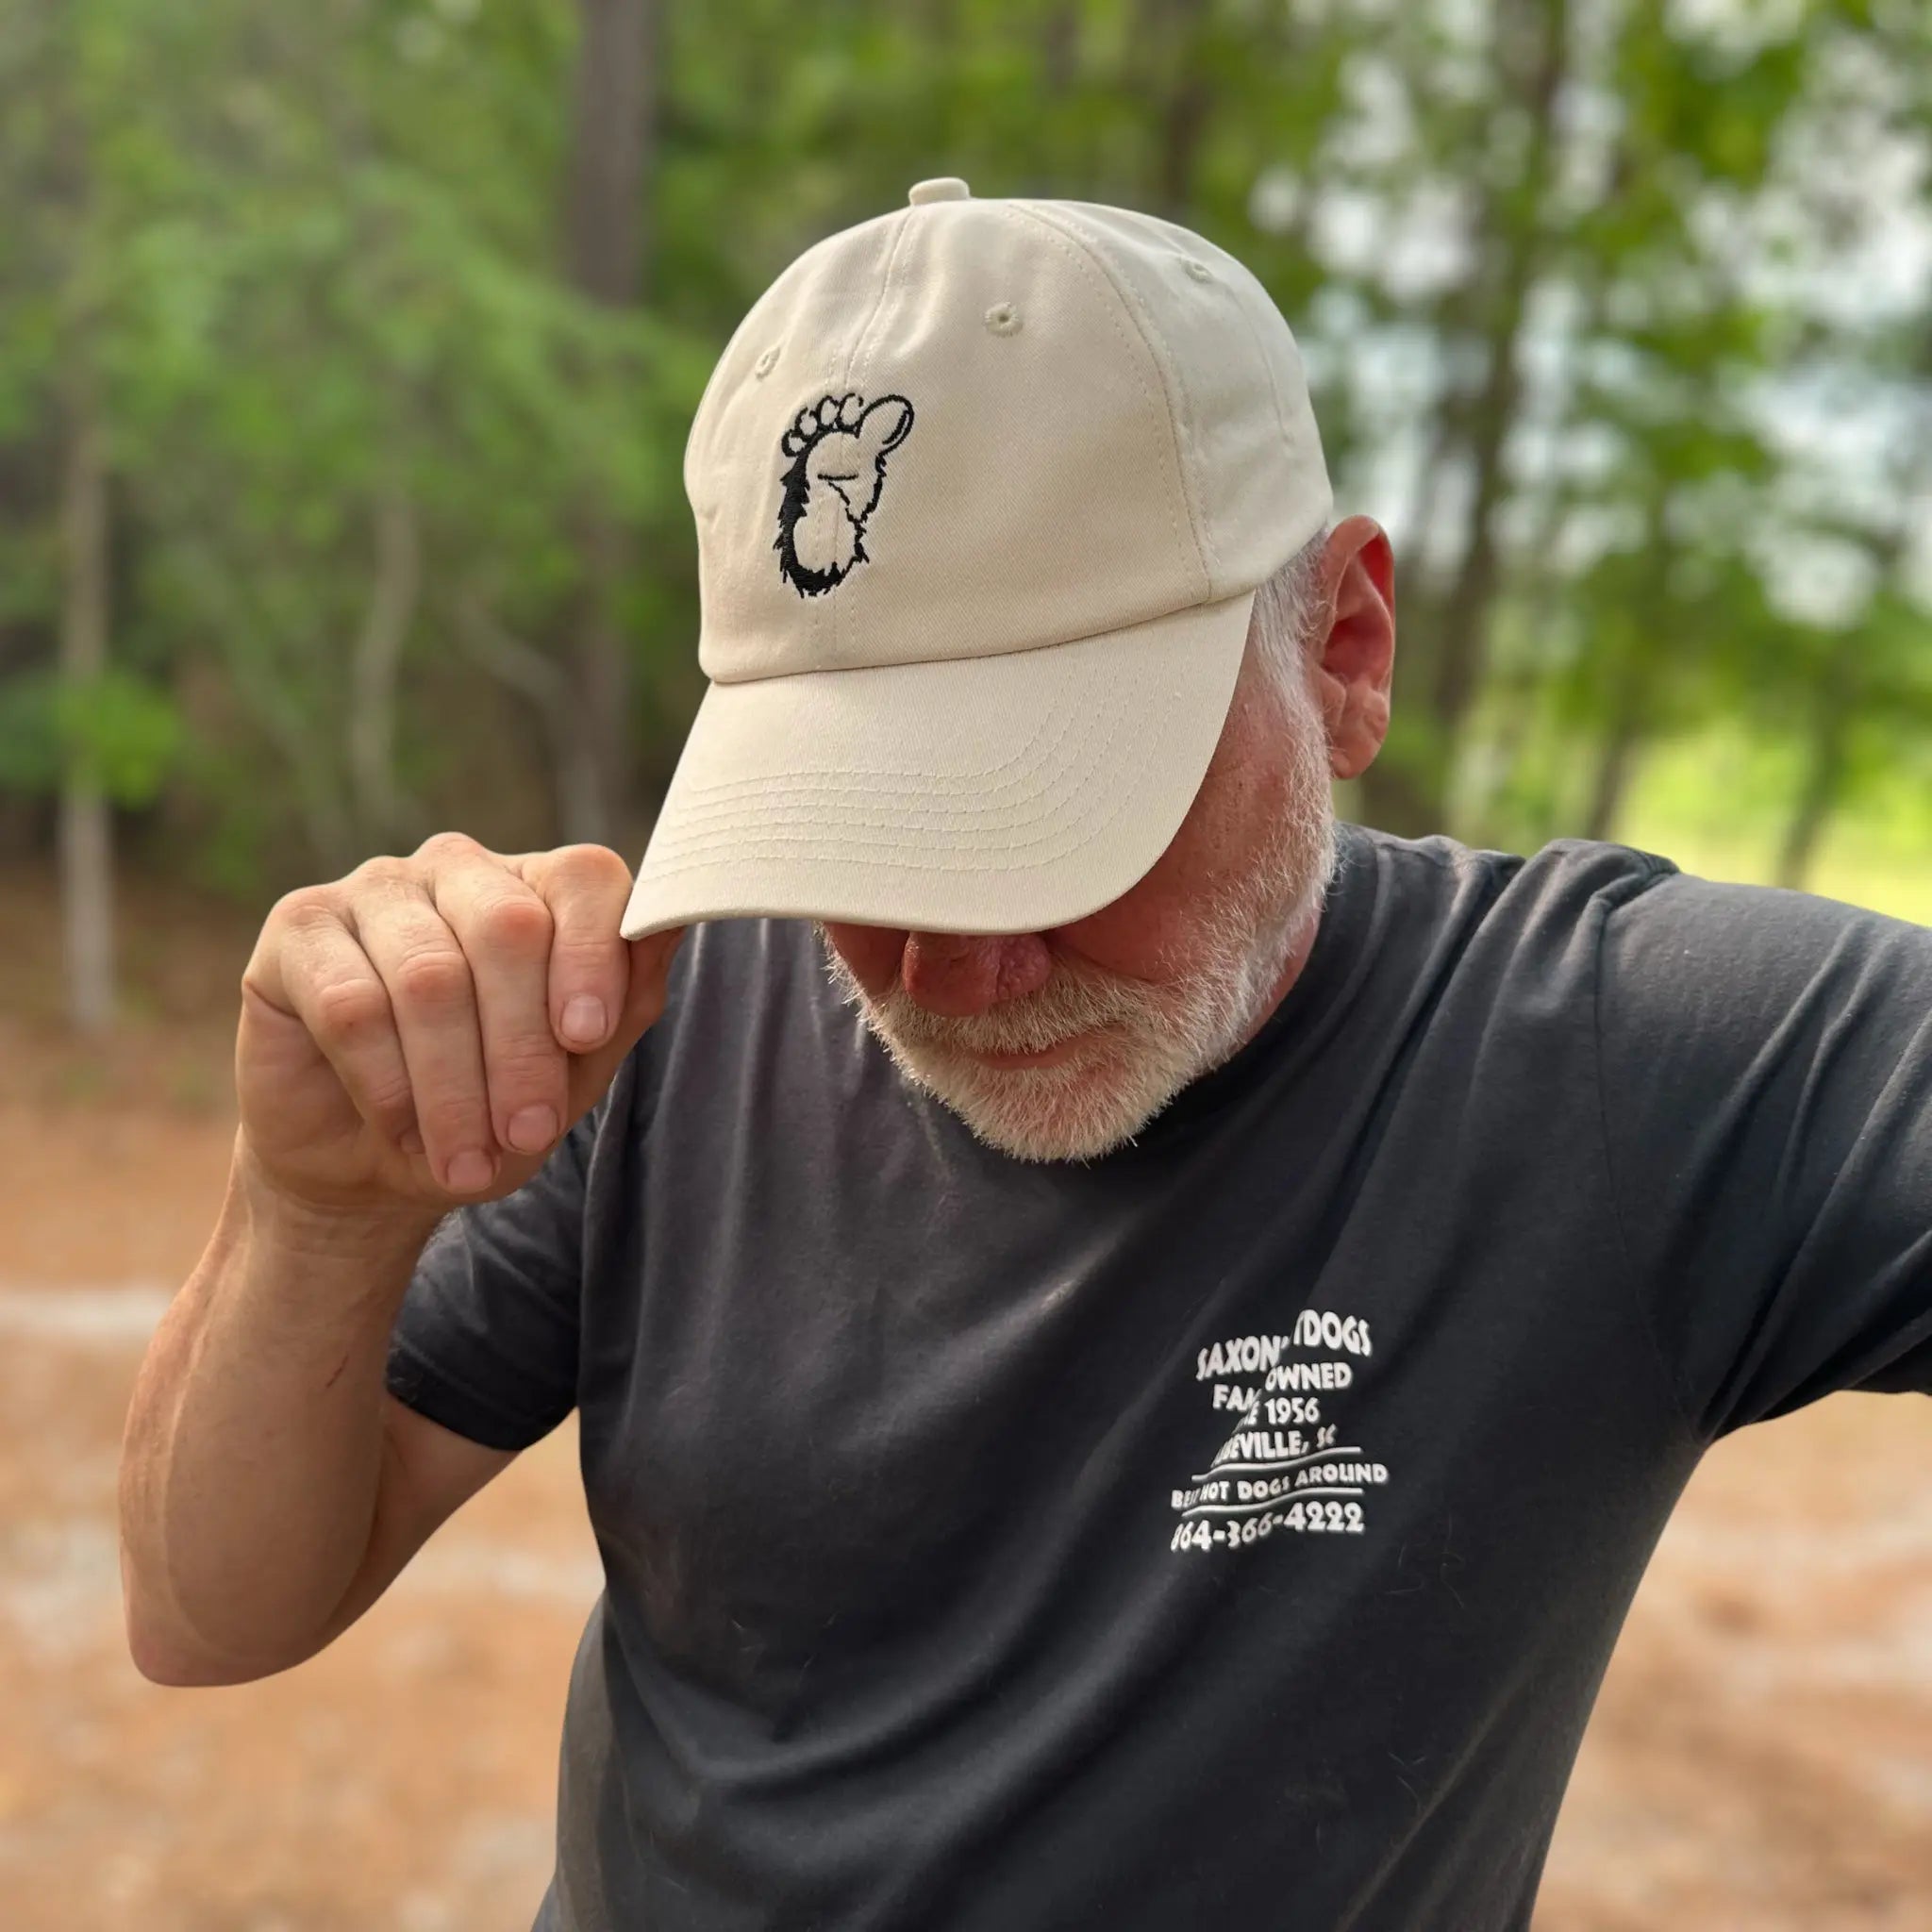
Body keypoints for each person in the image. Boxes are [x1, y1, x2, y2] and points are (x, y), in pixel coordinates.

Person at [118, 179, 1932, 1931]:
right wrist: (312, 1213)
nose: (949, 962)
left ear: (1346, 651)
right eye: (864, 823)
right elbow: (210, 1617)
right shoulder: (663, 1020)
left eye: (1059, 815)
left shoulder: (1602, 1061)